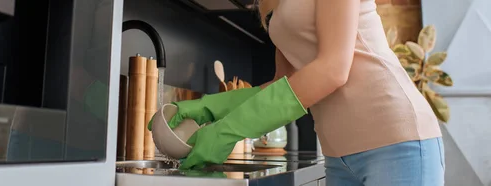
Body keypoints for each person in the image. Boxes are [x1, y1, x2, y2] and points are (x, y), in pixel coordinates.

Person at [148, 0, 445, 185]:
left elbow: (333, 69)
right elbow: (285, 82)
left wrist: (228, 131)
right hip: (339, 156)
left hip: (394, 142)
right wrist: (210, 107)